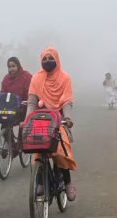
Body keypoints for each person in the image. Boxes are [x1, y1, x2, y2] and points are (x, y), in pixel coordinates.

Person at [27, 47, 77, 201]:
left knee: (60, 150)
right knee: (35, 149)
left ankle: (67, 183)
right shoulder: (36, 78)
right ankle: (41, 180)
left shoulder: (65, 78)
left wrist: (67, 119)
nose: (47, 62)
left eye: (51, 58)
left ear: (57, 59)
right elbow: (32, 102)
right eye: (44, 59)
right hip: (40, 119)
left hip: (59, 120)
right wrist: (28, 119)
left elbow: (67, 102)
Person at [0, 57, 32, 157]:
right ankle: (13, 148)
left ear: (18, 66)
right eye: (9, 67)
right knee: (4, 126)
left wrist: (27, 102)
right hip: (11, 109)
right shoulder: (6, 79)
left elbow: (31, 92)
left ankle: (21, 144)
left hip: (24, 109)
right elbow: (2, 93)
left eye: (13, 66)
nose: (11, 69)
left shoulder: (27, 76)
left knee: (23, 126)